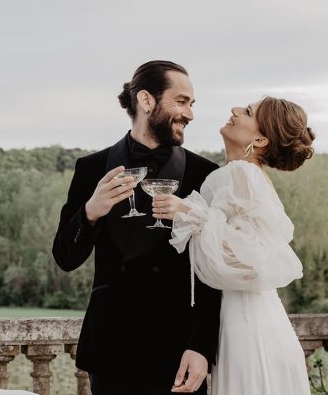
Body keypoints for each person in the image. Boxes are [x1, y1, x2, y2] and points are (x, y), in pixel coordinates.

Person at [52, 60, 222, 395]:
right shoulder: (92, 168)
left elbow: (212, 274)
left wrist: (202, 346)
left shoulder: (204, 174)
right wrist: (90, 212)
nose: (190, 114)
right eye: (182, 101)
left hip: (178, 350)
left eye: (192, 104)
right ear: (146, 101)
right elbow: (65, 257)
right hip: (112, 349)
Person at [151, 96, 315, 394]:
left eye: (248, 112)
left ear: (261, 138)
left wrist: (190, 213)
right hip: (258, 317)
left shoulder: (240, 173)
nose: (235, 110)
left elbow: (254, 260)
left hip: (247, 325)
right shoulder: (244, 175)